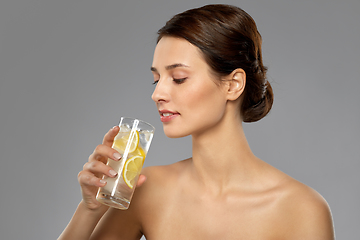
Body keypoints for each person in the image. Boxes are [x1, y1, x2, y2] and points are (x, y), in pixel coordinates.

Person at [58, 4, 335, 239]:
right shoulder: (145, 190)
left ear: (233, 84)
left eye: (178, 78)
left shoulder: (302, 209)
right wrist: (89, 210)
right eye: (156, 79)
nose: (157, 94)